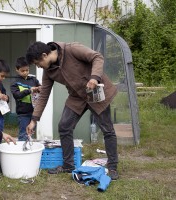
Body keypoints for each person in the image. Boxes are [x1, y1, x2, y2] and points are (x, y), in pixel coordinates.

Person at [25, 41, 119, 180]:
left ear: (44, 55)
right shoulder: (48, 71)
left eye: (37, 63)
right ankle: (68, 165)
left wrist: (94, 77)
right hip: (77, 97)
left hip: (95, 91)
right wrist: (34, 120)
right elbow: (44, 94)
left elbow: (97, 57)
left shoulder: (71, 49)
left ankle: (112, 167)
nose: (38, 67)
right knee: (64, 126)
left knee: (107, 130)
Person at [10, 56, 41, 141]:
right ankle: (21, 151)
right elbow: (17, 95)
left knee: (31, 134)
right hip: (23, 114)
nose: (25, 72)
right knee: (24, 134)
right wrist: (29, 90)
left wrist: (40, 88)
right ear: (17, 69)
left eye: (27, 70)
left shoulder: (33, 79)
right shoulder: (15, 82)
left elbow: (40, 87)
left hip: (34, 113)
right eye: (22, 71)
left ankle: (30, 151)